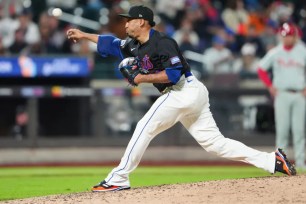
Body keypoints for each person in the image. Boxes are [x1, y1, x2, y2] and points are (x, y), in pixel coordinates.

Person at [67, 5, 296, 192]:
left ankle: (119, 178)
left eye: (129, 19)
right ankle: (272, 161)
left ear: (142, 22)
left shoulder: (163, 43)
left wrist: (140, 79)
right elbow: (112, 44)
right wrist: (84, 35)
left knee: (144, 126)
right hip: (184, 94)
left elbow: (173, 74)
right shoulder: (134, 45)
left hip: (183, 89)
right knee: (215, 144)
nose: (125, 23)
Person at [257, 22, 306, 170]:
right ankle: (280, 163)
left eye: (290, 35)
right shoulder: (276, 52)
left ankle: (301, 163)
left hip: (299, 94)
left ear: (294, 36)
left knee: (299, 131)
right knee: (282, 131)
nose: (287, 38)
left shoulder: (302, 50)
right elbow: (261, 69)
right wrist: (270, 86)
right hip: (282, 94)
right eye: (285, 35)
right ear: (281, 36)